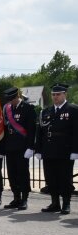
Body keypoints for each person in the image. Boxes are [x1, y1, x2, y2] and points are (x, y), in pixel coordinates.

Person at [35, 83, 78, 214]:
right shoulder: (46, 111)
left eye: (58, 94)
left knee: (65, 178)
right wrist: (38, 149)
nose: (55, 97)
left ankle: (66, 203)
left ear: (65, 94)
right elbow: (40, 132)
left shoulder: (73, 110)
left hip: (65, 150)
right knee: (51, 178)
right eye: (53, 95)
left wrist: (75, 150)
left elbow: (77, 131)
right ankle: (55, 203)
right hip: (49, 150)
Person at [1, 87, 36, 210]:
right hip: (10, 146)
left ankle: (24, 198)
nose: (10, 102)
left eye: (12, 100)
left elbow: (32, 130)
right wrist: (3, 148)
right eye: (9, 100)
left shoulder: (28, 108)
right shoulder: (7, 109)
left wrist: (31, 147)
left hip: (22, 147)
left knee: (22, 173)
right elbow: (4, 129)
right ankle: (16, 197)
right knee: (12, 173)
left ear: (17, 97)